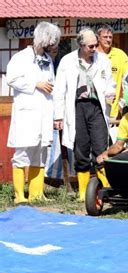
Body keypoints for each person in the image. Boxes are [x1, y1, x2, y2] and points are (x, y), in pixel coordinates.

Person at [53, 28, 116, 201]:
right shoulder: (67, 61)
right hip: (77, 108)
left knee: (100, 147)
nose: (94, 49)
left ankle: (104, 190)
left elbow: (111, 82)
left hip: (96, 107)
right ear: (81, 45)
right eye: (90, 46)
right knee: (81, 148)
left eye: (96, 45)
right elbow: (59, 89)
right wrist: (58, 116)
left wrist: (110, 92)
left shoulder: (102, 60)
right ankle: (83, 192)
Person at [6, 21, 61, 204]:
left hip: (44, 111)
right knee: (23, 151)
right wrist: (35, 84)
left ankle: (37, 193)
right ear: (40, 39)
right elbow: (12, 79)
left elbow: (52, 84)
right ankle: (19, 195)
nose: (49, 47)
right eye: (48, 42)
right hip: (27, 113)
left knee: (41, 151)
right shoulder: (20, 58)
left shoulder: (48, 60)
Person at [96, 24, 128, 121]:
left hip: (114, 110)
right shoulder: (93, 55)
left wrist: (122, 103)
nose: (108, 40)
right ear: (98, 38)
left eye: (110, 37)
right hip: (95, 109)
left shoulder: (120, 55)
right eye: (105, 37)